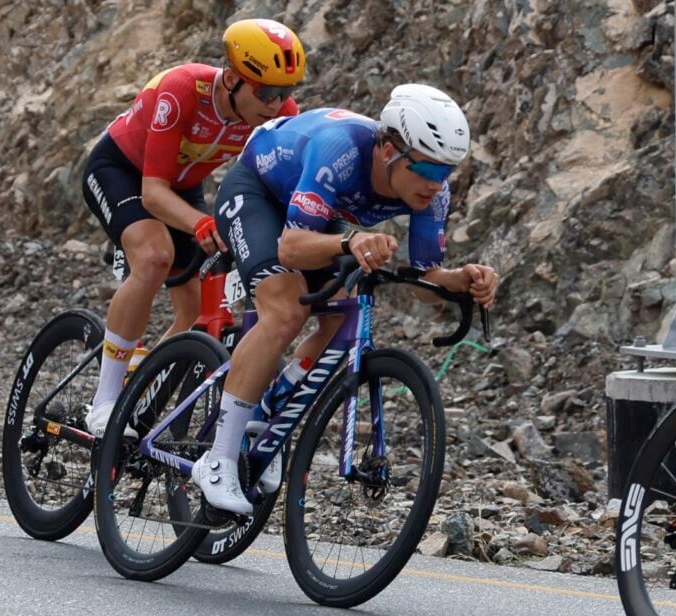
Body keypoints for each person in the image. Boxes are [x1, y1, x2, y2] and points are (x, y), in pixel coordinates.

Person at [197, 84, 499, 513]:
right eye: (430, 172)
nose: (437, 186)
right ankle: (219, 459)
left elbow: (422, 281)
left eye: (447, 173)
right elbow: (290, 248)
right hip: (258, 193)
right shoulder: (340, 149)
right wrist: (352, 241)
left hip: (319, 215)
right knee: (285, 310)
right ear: (391, 150)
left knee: (341, 316)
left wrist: (460, 280)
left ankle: (269, 406)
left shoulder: (433, 192)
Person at [80, 18, 305, 437]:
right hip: (123, 171)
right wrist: (201, 221)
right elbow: (152, 192)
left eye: (286, 92)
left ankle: (141, 392)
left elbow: (284, 187)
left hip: (182, 185)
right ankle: (105, 401)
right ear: (235, 79)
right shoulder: (184, 89)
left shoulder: (281, 115)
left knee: (194, 308)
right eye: (267, 92)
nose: (277, 104)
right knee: (153, 257)